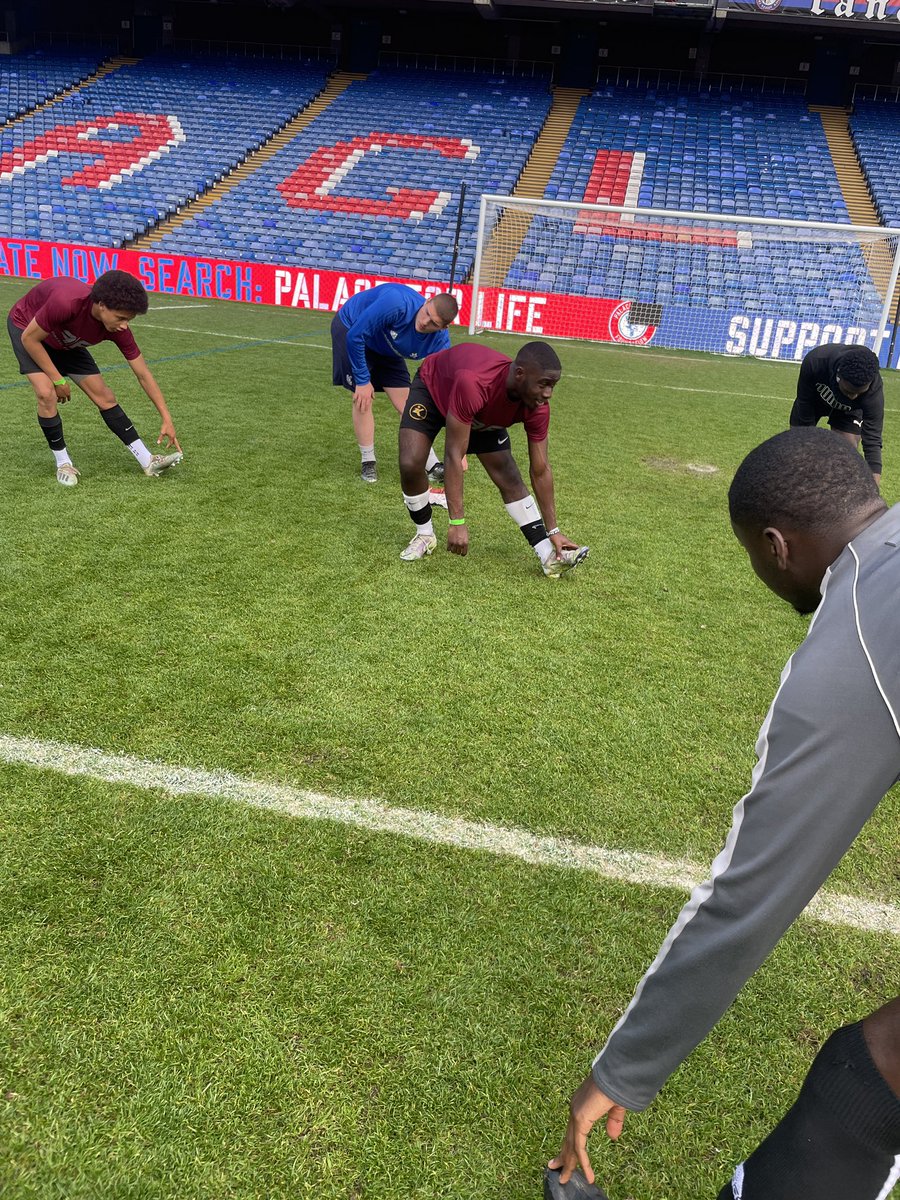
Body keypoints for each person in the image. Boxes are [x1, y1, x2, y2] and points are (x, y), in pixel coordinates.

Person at [549, 428, 900, 1198]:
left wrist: (620, 1069)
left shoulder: (855, 647)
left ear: (776, 546)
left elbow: (748, 895)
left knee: (872, 1067)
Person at [397, 340, 589, 578]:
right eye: (543, 384)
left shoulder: (538, 407)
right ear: (520, 374)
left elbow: (540, 470)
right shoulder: (475, 383)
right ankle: (425, 534)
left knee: (508, 475)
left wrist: (554, 529)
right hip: (434, 389)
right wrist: (457, 522)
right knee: (410, 462)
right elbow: (454, 455)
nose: (548, 394)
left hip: (480, 410)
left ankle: (548, 555)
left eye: (553, 386)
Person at [7, 270, 182, 487]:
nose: (124, 325)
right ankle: (63, 463)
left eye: (129, 319)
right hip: (27, 329)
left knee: (105, 396)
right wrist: (58, 380)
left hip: (66, 341)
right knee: (46, 393)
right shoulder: (66, 302)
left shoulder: (118, 329)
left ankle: (147, 460)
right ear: (101, 305)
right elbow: (30, 339)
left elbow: (143, 374)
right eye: (120, 317)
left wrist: (166, 417)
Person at [331, 283, 458, 483]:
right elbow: (355, 336)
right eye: (426, 313)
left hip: (388, 347)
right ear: (426, 301)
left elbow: (439, 387)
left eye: (433, 323)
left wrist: (460, 446)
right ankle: (368, 462)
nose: (425, 322)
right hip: (352, 328)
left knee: (410, 406)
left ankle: (432, 465)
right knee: (363, 397)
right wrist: (363, 381)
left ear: (444, 327)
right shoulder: (397, 303)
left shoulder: (441, 344)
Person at [789, 343, 883, 485]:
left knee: (847, 450)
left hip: (849, 412)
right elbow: (804, 403)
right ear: (838, 375)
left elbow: (873, 439)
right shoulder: (816, 361)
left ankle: (836, 492)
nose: (853, 397)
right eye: (849, 391)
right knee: (799, 448)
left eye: (859, 393)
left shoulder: (873, 390)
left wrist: (874, 488)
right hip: (814, 401)